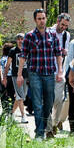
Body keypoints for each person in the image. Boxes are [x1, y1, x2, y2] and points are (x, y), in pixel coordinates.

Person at [18, 9, 63, 140]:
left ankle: (42, 128)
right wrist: (20, 74)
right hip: (35, 73)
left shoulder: (52, 35)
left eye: (43, 18)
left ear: (46, 19)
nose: (41, 21)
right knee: (37, 103)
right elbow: (23, 56)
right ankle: (39, 132)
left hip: (49, 72)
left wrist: (60, 70)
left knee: (49, 102)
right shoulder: (30, 36)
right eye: (39, 18)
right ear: (35, 20)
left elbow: (58, 53)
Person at [6, 36, 28, 121]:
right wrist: (4, 76)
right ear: (16, 41)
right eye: (18, 39)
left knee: (22, 96)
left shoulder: (27, 50)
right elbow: (8, 64)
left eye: (22, 39)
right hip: (15, 76)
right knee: (20, 96)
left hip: (26, 75)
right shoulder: (12, 51)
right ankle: (23, 116)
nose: (20, 41)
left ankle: (11, 113)